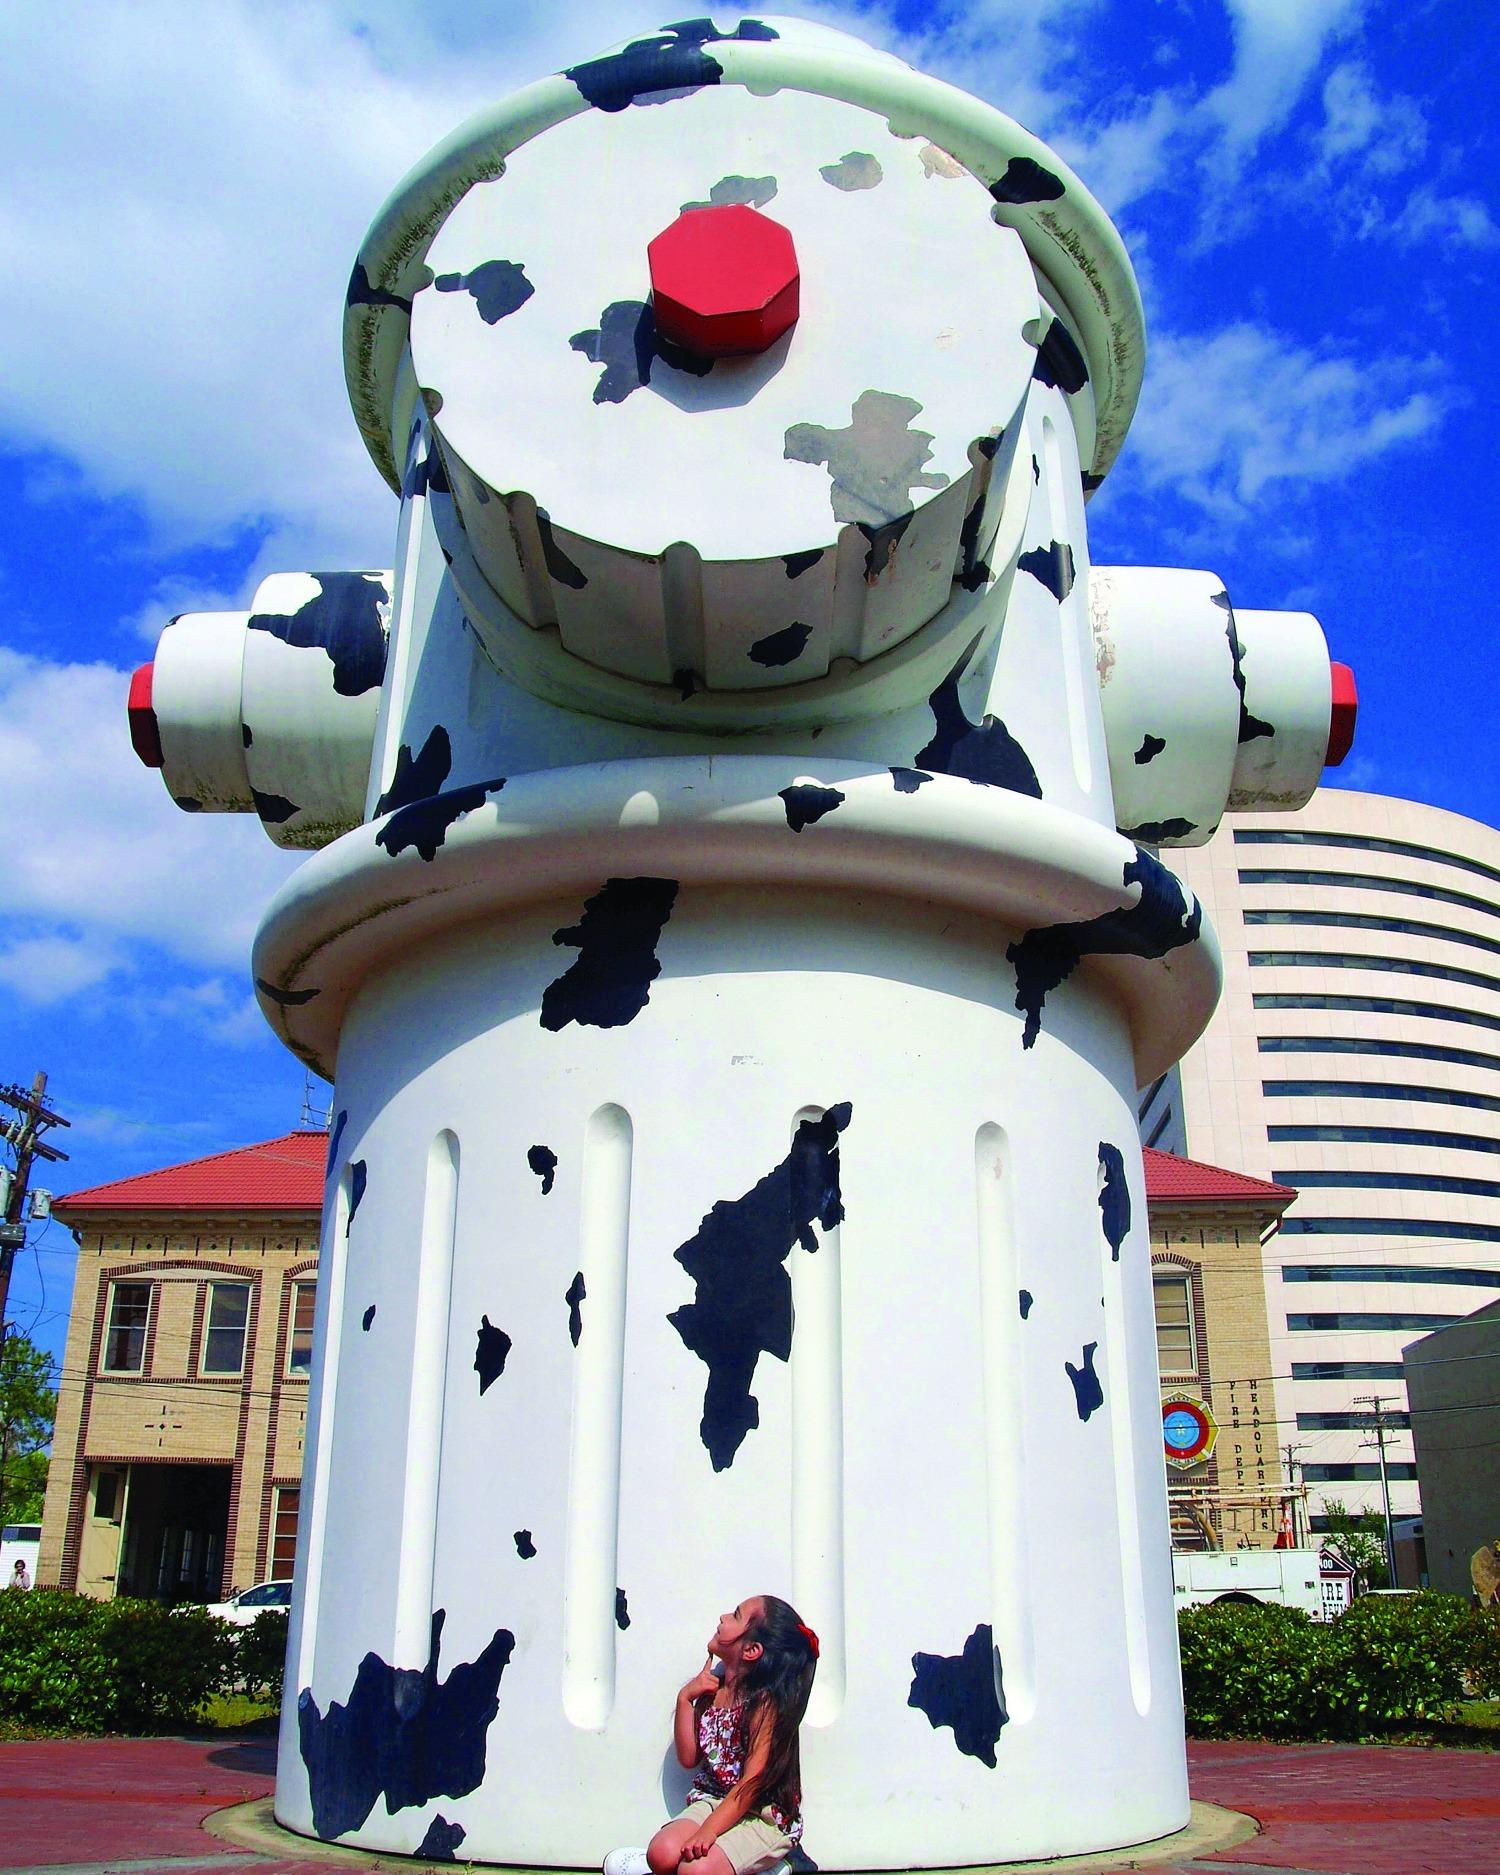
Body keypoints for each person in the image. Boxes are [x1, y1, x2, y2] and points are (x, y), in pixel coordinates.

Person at [605, 1595, 819, 1875]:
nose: (723, 1617)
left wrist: (707, 1832)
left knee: (694, 1870)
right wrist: (685, 1700)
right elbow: (689, 1757)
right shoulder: (713, 1689)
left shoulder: (763, 1704)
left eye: (736, 1615)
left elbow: (751, 1784)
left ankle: (783, 1864)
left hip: (760, 1815)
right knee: (661, 1854)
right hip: (713, 1800)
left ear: (751, 1650)